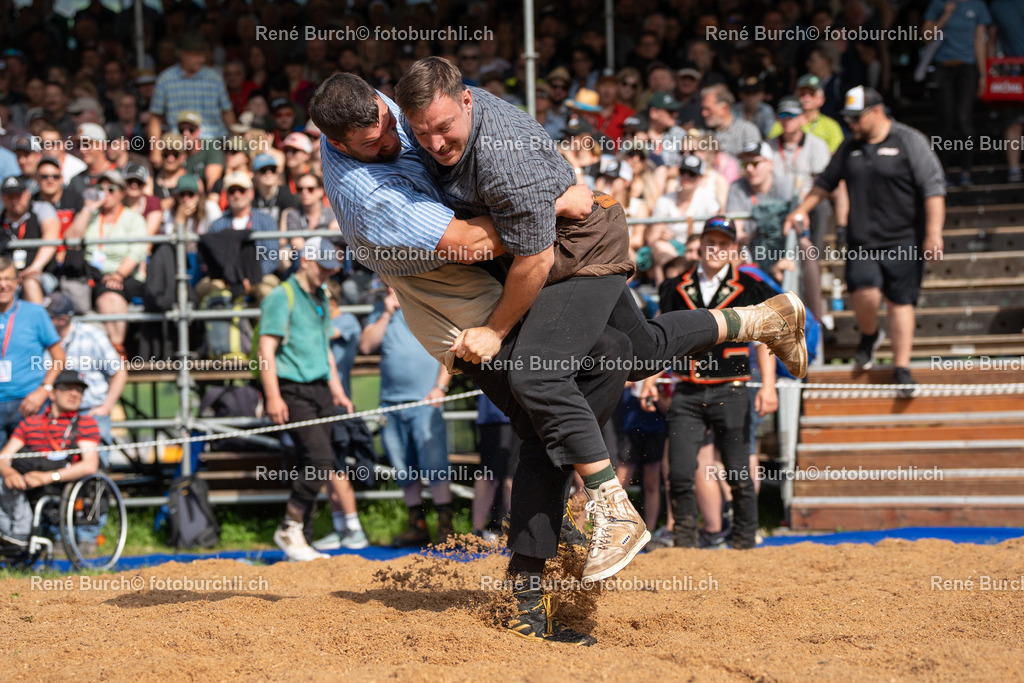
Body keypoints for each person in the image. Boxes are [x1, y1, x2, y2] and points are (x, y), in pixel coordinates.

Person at [310, 73, 806, 645]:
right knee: (615, 360)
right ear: (339, 143)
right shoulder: (369, 191)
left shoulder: (423, 118)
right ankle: (759, 322)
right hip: (477, 292)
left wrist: (536, 229)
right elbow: (469, 243)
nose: (405, 140)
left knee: (559, 386)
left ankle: (575, 542)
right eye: (379, 141)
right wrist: (550, 204)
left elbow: (530, 250)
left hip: (556, 258)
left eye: (399, 125)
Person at [785, 86, 945, 394]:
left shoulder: (909, 141)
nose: (852, 124)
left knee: (900, 302)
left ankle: (902, 367)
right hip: (862, 241)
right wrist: (800, 210)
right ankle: (870, 335)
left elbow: (933, 188)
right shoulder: (849, 147)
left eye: (856, 118)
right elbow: (825, 183)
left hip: (904, 239)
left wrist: (933, 233)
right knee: (863, 293)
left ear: (876, 112)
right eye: (848, 119)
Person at [640, 216, 779, 549]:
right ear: (700, 246)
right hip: (687, 391)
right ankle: (685, 544)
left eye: (724, 244)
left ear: (734, 249)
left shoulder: (751, 286)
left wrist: (769, 386)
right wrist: (649, 379)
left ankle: (744, 542)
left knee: (737, 471)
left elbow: (767, 340)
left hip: (732, 389)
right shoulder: (674, 287)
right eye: (710, 242)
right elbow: (664, 339)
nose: (716, 249)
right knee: (679, 472)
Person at [258, 237, 356, 562]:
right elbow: (266, 349)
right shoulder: (281, 296)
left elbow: (324, 348)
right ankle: (290, 526)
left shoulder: (322, 297)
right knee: (320, 460)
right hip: (293, 389)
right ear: (306, 261)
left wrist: (338, 391)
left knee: (310, 463)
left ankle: (302, 543)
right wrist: (272, 396)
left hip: (320, 389)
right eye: (323, 267)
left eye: (331, 268)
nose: (328, 273)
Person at [359, 286, 455, 546]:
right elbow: (366, 345)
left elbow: (450, 348)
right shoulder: (381, 309)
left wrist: (440, 387)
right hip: (391, 404)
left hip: (426, 400)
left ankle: (446, 527)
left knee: (435, 464)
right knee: (403, 468)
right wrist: (386, 313)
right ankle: (417, 525)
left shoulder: (428, 300)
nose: (391, 286)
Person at [0, 369, 100, 548]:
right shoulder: (30, 423)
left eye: (79, 390)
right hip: (27, 482)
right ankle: (12, 535)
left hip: (62, 483)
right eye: (67, 388)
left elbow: (89, 465)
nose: (74, 394)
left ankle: (21, 535)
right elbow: (3, 457)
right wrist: (8, 473)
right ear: (52, 394)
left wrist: (47, 477)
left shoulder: (85, 423)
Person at [62, 169, 147, 352]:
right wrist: (88, 208)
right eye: (101, 189)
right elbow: (71, 240)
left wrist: (118, 275)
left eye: (111, 190)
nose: (105, 193)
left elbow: (137, 251)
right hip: (92, 275)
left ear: (122, 193)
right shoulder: (91, 216)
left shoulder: (133, 219)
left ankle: (117, 350)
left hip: (124, 276)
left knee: (110, 297)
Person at [311, 279, 369, 551]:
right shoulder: (324, 321)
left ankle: (354, 527)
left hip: (337, 404)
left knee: (337, 468)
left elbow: (319, 335)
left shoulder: (346, 321)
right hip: (318, 404)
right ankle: (340, 527)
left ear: (331, 302)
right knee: (327, 467)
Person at [45, 292, 126, 448]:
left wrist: (106, 407)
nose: (41, 321)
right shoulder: (40, 338)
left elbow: (119, 372)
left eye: (47, 317)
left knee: (96, 462)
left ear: (62, 319)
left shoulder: (92, 336)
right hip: (54, 415)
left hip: (90, 412)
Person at [0, 255, 67, 444]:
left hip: (29, 403)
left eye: (8, 279)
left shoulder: (35, 313)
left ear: (17, 282)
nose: (3, 285)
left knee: (31, 460)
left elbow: (59, 358)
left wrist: (44, 389)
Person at [924, 0, 991, 186]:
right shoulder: (938, 4)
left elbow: (980, 40)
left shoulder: (977, 6)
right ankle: (941, 173)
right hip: (943, 67)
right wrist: (945, 15)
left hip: (967, 69)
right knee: (945, 120)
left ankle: (966, 172)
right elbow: (926, 35)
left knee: (964, 120)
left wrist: (983, 74)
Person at [147, 34, 234, 147]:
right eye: (197, 55)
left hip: (214, 141)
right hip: (179, 143)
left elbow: (227, 112)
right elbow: (155, 117)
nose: (202, 60)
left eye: (202, 55)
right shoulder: (165, 79)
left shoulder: (215, 78)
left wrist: (235, 141)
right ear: (183, 54)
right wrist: (155, 150)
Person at [1, 175, 59, 303]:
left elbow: (51, 237)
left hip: (40, 274)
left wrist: (35, 267)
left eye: (18, 195)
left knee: (30, 282)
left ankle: (38, 316)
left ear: (27, 194)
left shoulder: (41, 209)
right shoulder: (1, 220)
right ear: (3, 198)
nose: (15, 200)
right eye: (10, 196)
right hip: (7, 277)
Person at [700, 83, 762, 158]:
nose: (704, 114)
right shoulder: (702, 132)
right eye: (703, 109)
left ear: (724, 108)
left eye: (708, 109)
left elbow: (754, 160)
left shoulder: (746, 130)